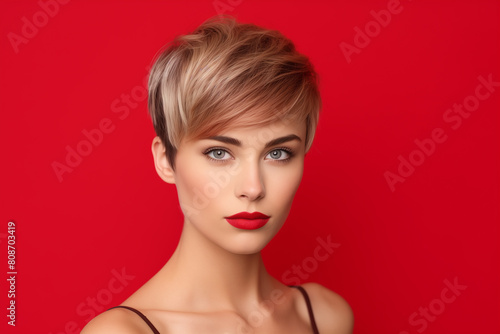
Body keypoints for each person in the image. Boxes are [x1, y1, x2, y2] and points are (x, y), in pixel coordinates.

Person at [81, 14, 354, 334]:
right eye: (219, 153)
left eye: (277, 153)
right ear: (165, 160)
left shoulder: (324, 317)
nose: (253, 188)